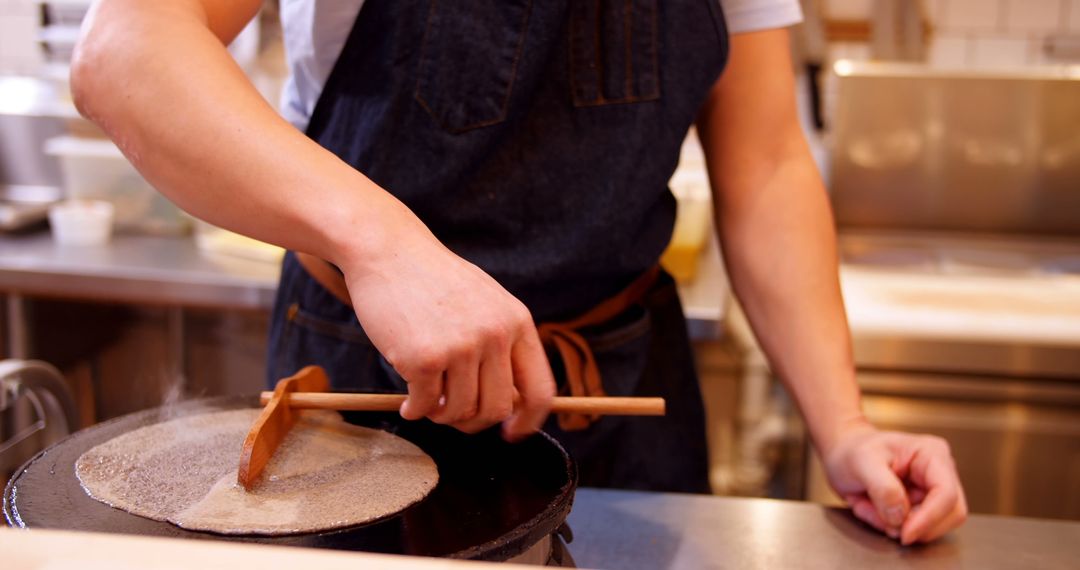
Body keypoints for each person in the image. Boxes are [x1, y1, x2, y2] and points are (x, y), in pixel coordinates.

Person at [71, 0, 967, 545]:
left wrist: (843, 426)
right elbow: (128, 48)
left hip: (619, 389)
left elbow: (767, 161)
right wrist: (390, 249)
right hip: (363, 387)